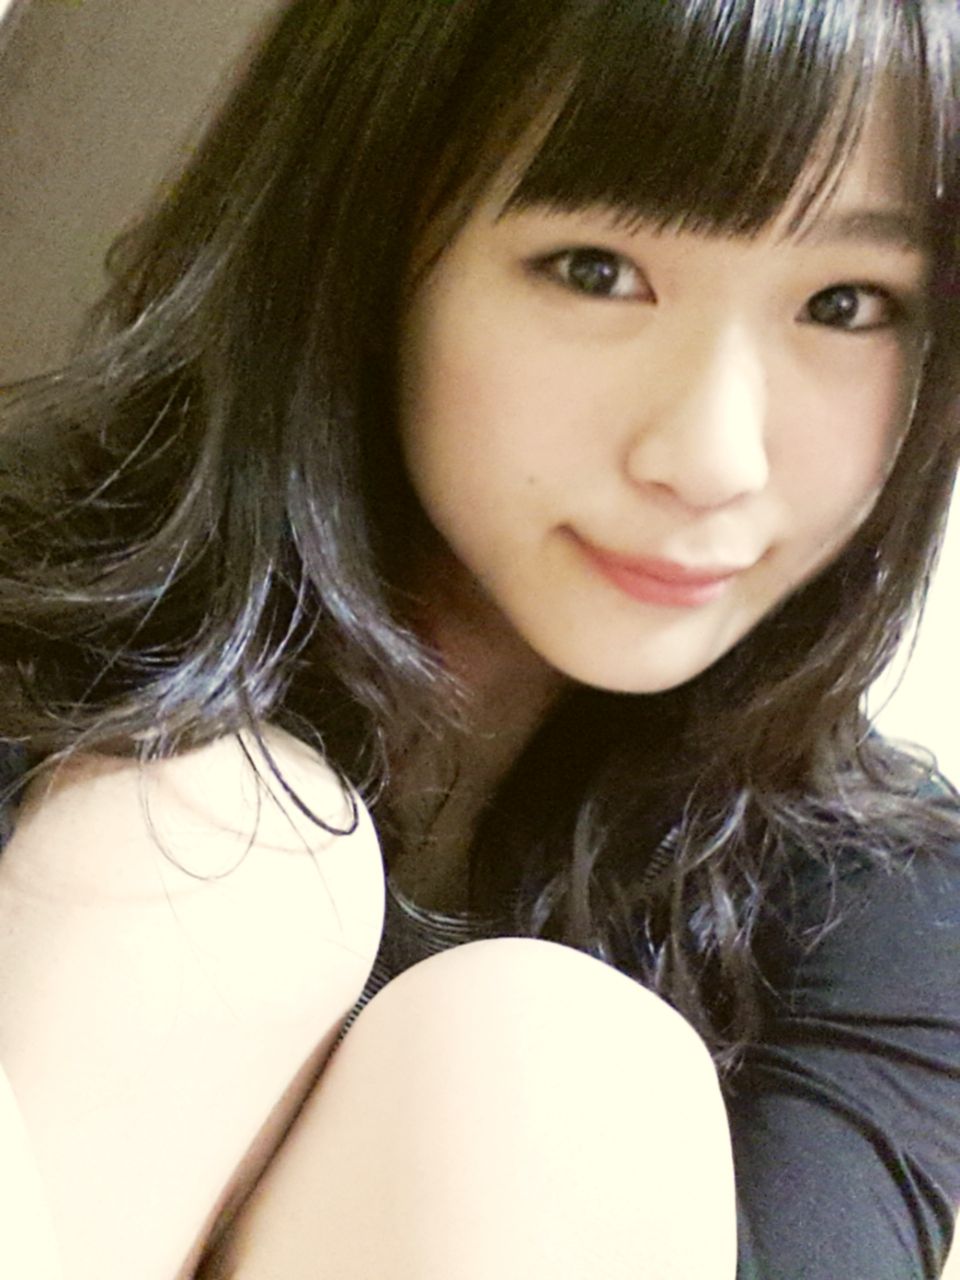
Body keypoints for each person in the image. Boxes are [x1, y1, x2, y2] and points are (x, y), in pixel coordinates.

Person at [0, 0, 958, 1276]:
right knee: (205, 848)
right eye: (595, 270)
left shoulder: (882, 907)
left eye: (845, 302)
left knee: (556, 1072)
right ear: (368, 239)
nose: (712, 457)